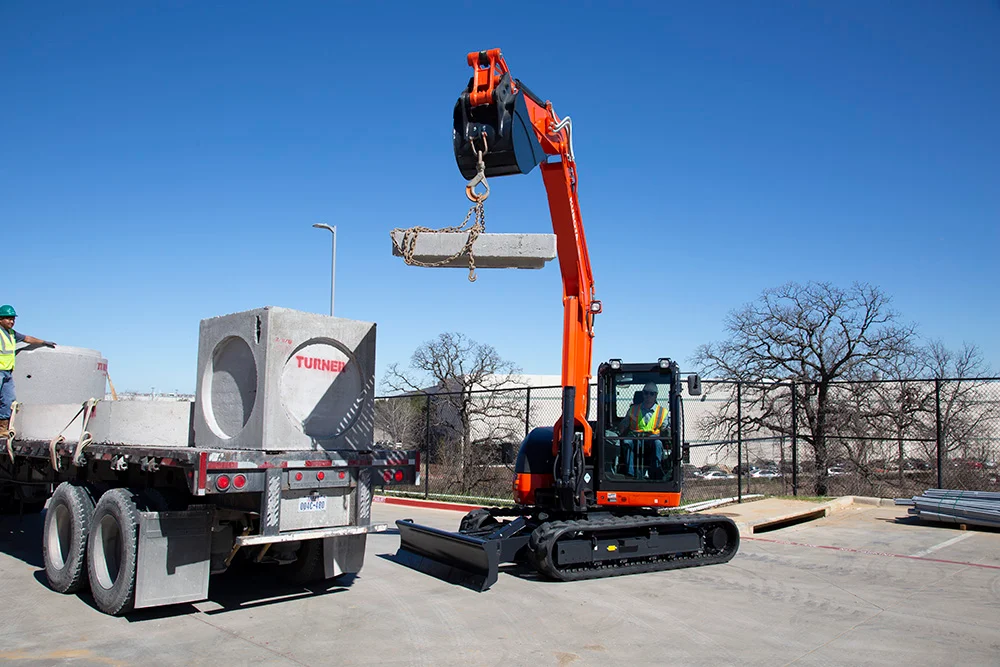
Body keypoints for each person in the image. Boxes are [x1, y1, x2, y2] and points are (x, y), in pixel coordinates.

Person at [0, 305, 56, 434]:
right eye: (8, 319)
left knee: (8, 399)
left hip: (7, 371)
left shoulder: (11, 333)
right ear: (0, 319)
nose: (12, 322)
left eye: (13, 319)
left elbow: (27, 339)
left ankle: (2, 428)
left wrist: (43, 342)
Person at [617, 382, 668, 478]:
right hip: (636, 438)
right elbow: (624, 424)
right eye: (646, 393)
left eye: (651, 393)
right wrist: (619, 429)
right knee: (627, 442)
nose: (648, 396)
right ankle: (630, 473)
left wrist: (666, 432)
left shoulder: (662, 412)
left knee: (658, 444)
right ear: (643, 394)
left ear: (656, 395)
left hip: (652, 439)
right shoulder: (633, 409)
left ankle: (655, 473)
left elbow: (665, 429)